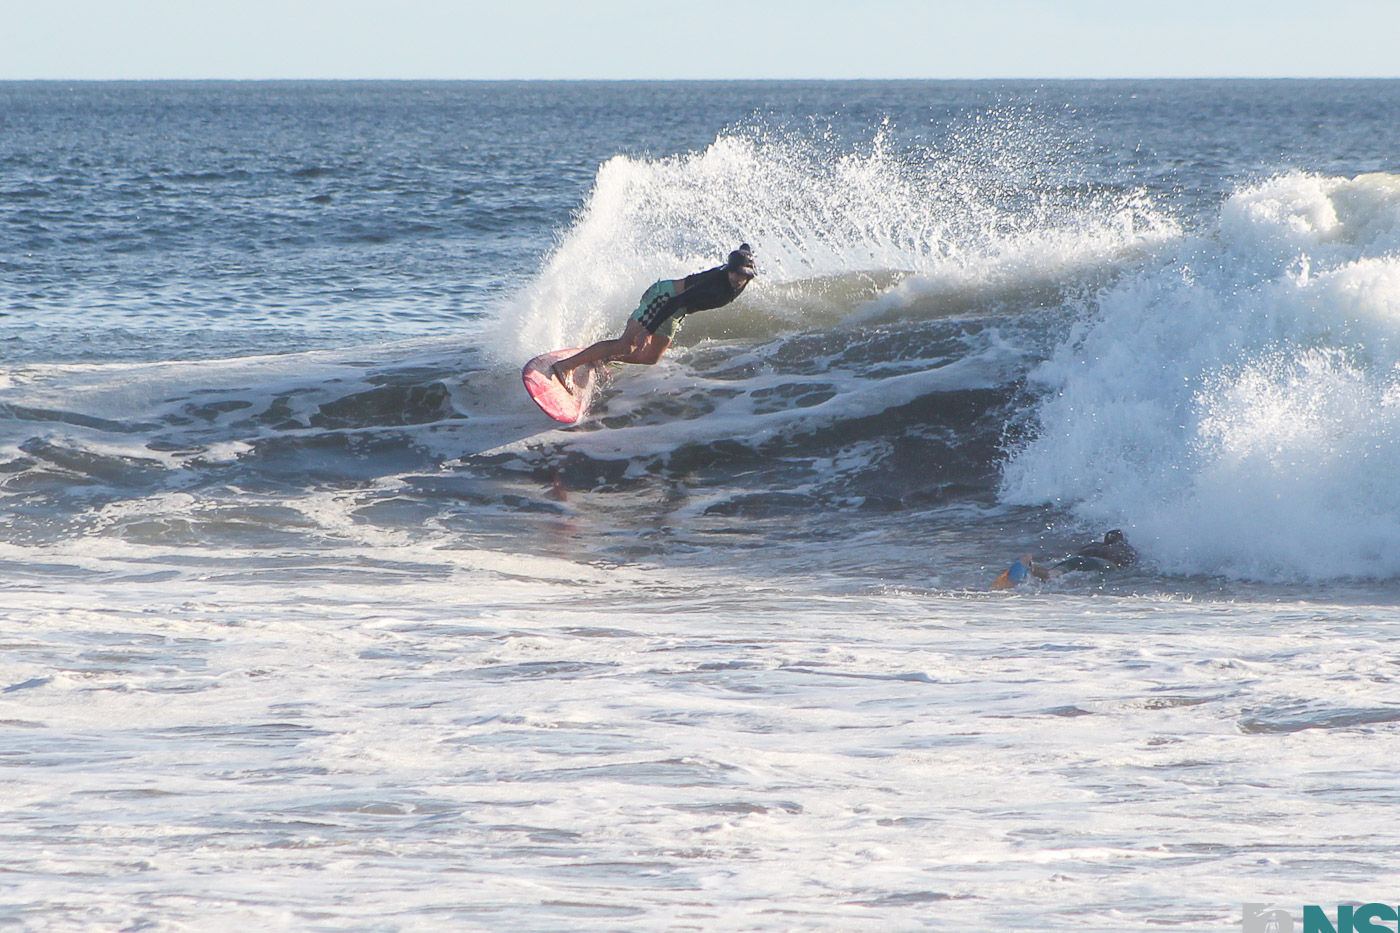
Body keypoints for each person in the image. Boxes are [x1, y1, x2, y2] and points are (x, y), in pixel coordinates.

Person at [550, 243, 757, 388]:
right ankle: (565, 366)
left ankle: (602, 358)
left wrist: (746, 249)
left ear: (749, 273)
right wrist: (647, 331)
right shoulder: (714, 285)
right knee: (626, 345)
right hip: (665, 297)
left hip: (677, 312)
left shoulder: (742, 276)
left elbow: (744, 251)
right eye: (732, 272)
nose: (735, 277)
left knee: (650, 357)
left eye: (740, 274)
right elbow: (675, 301)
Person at [993, 530, 1137, 588]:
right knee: (1051, 575)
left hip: (1079, 559)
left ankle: (1030, 566)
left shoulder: (1094, 545)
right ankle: (1030, 568)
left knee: (1058, 570)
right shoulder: (1123, 548)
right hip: (1103, 565)